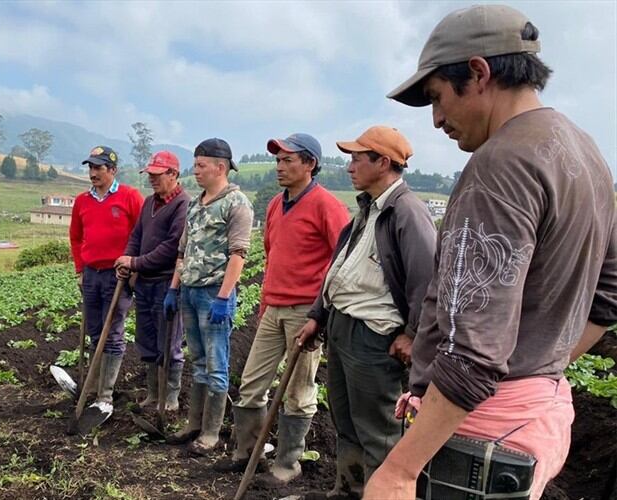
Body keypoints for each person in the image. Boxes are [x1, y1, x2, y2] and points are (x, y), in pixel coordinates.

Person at [363, 5, 617, 499]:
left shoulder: (500, 163)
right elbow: (608, 299)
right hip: (535, 419)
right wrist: (536, 370)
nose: (436, 120)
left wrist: (401, 470)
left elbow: (473, 352)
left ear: (478, 73)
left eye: (437, 97)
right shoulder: (587, 154)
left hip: (479, 431)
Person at [300, 126, 437, 498]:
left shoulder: (407, 212)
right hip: (343, 327)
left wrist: (412, 333)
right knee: (345, 421)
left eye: (357, 159)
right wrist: (318, 315)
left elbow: (427, 282)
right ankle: (348, 489)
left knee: (377, 430)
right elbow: (339, 269)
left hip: (373, 336)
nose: (349, 167)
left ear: (384, 163)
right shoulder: (366, 210)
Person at [213, 133, 349, 485]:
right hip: (274, 308)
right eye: (277, 160)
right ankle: (247, 453)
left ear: (310, 164)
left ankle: (287, 464)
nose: (280, 166)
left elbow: (342, 261)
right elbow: (272, 256)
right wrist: (264, 303)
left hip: (306, 311)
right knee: (251, 385)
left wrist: (322, 314)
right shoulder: (276, 204)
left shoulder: (326, 206)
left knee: (298, 392)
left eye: (288, 160)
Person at [164, 138, 254, 455]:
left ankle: (212, 433)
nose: (195, 170)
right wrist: (174, 288)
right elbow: (182, 250)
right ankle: (194, 424)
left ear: (220, 166)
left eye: (201, 165)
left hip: (214, 295)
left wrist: (223, 297)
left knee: (217, 365)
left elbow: (238, 254)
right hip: (189, 291)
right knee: (198, 361)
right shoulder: (195, 203)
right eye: (195, 164)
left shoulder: (237, 203)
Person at [70, 146, 143, 414]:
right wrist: (80, 270)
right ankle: (90, 388)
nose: (92, 173)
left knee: (112, 333)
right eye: (90, 168)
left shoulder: (130, 197)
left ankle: (106, 395)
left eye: (98, 168)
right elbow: (76, 237)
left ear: (112, 170)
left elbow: (141, 233)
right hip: (91, 273)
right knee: (94, 330)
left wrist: (132, 267)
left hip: (117, 275)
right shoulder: (82, 201)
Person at [115, 151, 190, 411]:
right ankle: (153, 394)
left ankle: (170, 398)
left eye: (157, 175)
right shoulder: (149, 203)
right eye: (150, 175)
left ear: (173, 174)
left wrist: (135, 263)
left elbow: (171, 247)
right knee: (146, 339)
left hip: (167, 283)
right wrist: (128, 256)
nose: (152, 180)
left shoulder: (183, 205)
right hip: (145, 283)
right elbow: (137, 235)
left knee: (169, 342)